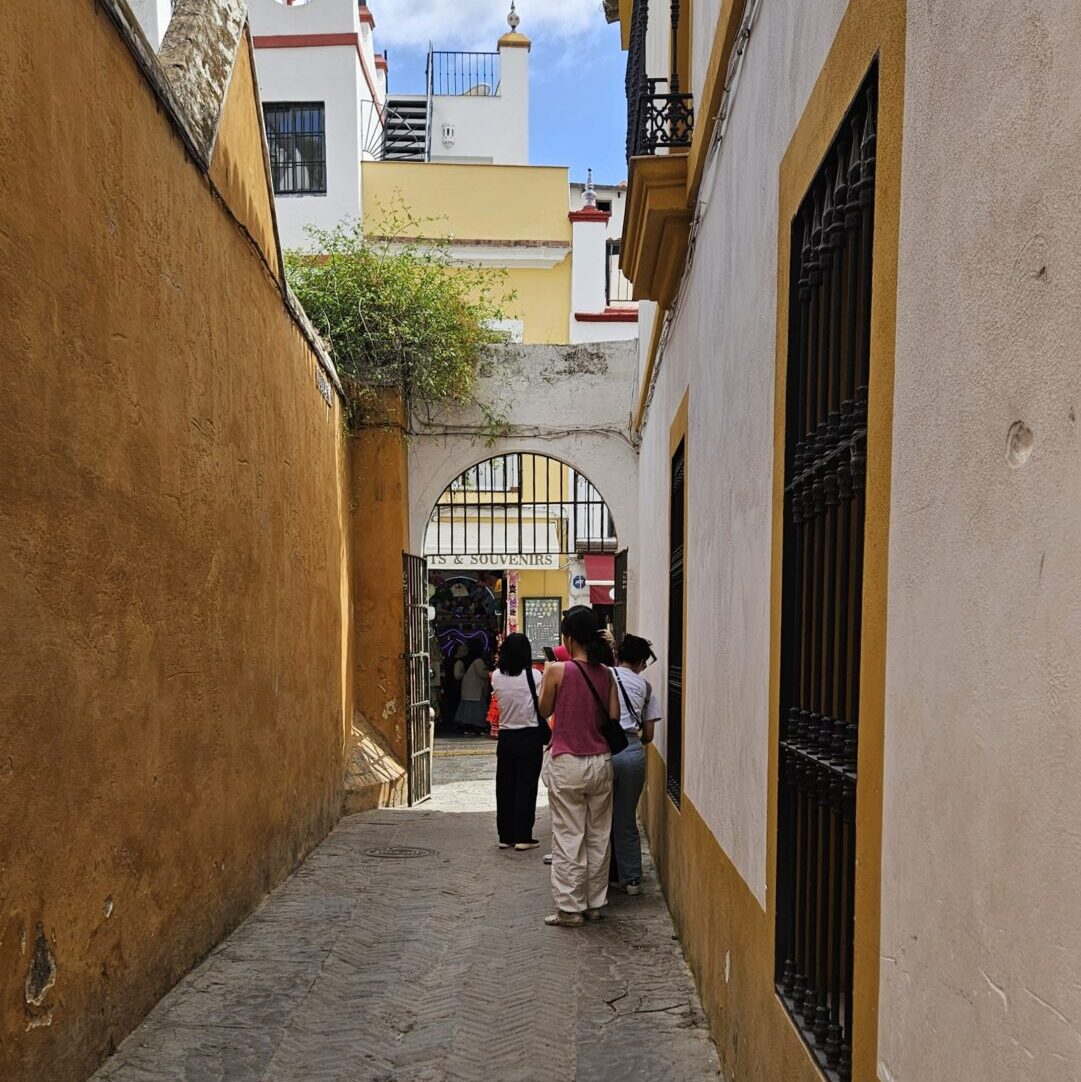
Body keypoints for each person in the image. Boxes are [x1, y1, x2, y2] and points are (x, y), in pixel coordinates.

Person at [537, 607, 620, 927]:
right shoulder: (607, 674)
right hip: (600, 762)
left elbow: (544, 710)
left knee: (569, 835)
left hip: (568, 761)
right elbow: (612, 718)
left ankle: (570, 908)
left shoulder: (557, 671)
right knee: (598, 835)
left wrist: (548, 679)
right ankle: (595, 903)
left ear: (569, 638)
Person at [608, 633, 661, 896]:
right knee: (626, 817)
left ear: (618, 655)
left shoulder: (604, 676)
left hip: (604, 748)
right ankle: (631, 879)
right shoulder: (646, 688)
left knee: (598, 815)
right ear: (641, 661)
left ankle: (601, 875)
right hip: (631, 751)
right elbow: (649, 735)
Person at [491, 633, 545, 851]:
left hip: (506, 736)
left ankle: (505, 835)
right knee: (526, 786)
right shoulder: (535, 676)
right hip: (529, 734)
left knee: (505, 786)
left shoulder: (496, 676)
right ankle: (523, 835)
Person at [454, 643, 489, 733]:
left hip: (470, 689)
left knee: (468, 709)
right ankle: (477, 726)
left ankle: (468, 726)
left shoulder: (470, 660)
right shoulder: (478, 661)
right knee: (476, 709)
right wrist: (491, 673)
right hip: (475, 689)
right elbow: (482, 673)